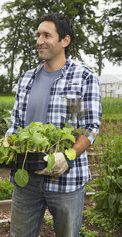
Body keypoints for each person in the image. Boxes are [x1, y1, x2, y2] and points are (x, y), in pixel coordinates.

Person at [6, 12, 102, 237]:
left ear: (64, 41)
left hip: (66, 180)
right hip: (26, 179)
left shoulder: (83, 78)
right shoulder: (26, 79)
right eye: (38, 35)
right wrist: (6, 142)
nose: (39, 41)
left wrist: (67, 156)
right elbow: (16, 123)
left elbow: (90, 126)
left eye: (47, 35)